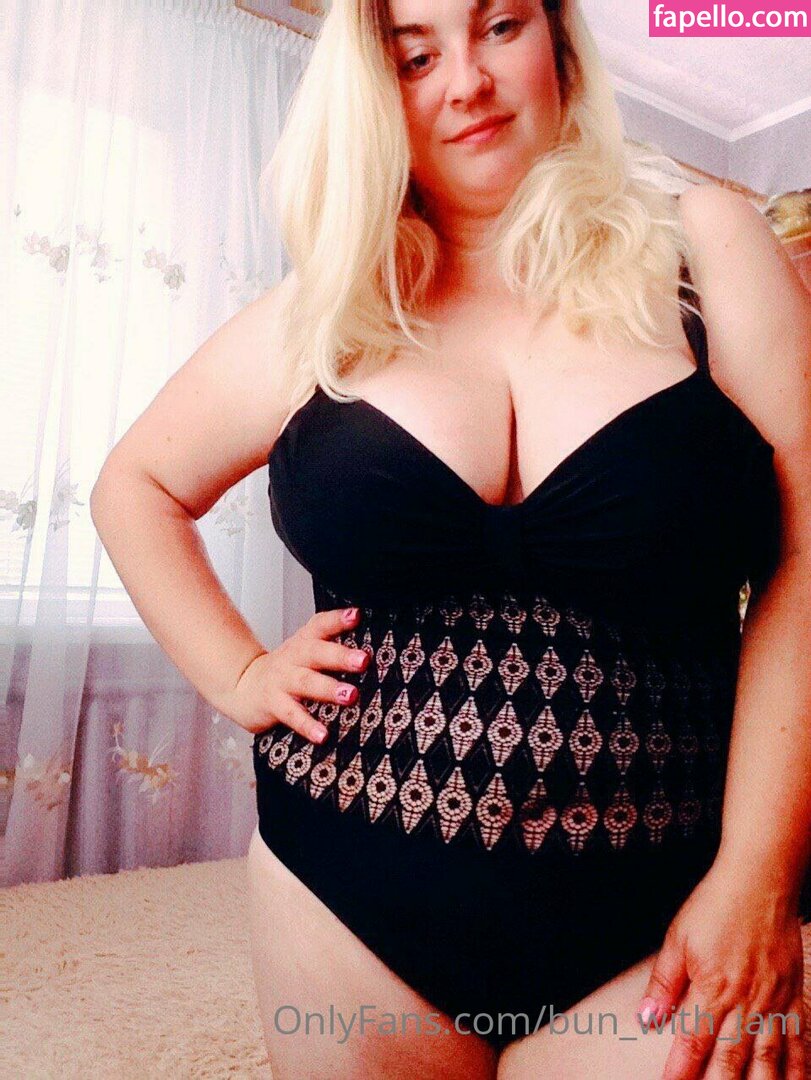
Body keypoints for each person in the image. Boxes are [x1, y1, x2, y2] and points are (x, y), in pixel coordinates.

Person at [90, 1, 811, 1078]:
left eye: (499, 27)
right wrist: (238, 671)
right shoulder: (324, 311)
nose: (465, 81)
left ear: (558, 41)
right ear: (371, 93)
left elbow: (805, 553)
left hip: (663, 906)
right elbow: (135, 486)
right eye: (415, 55)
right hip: (346, 888)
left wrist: (759, 878)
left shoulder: (707, 243)